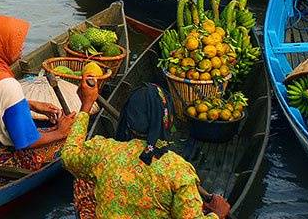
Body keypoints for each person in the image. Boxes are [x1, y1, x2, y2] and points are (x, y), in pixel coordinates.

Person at [63, 82, 231, 219]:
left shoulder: (103, 151)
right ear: (166, 120)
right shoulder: (178, 171)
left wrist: (86, 106)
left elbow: (69, 155)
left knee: (84, 181)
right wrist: (217, 214)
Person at [0, 15, 88, 188]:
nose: (22, 46)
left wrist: (31, 104)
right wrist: (61, 132)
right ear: (1, 45)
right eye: (16, 42)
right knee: (68, 138)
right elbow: (26, 141)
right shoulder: (9, 86)